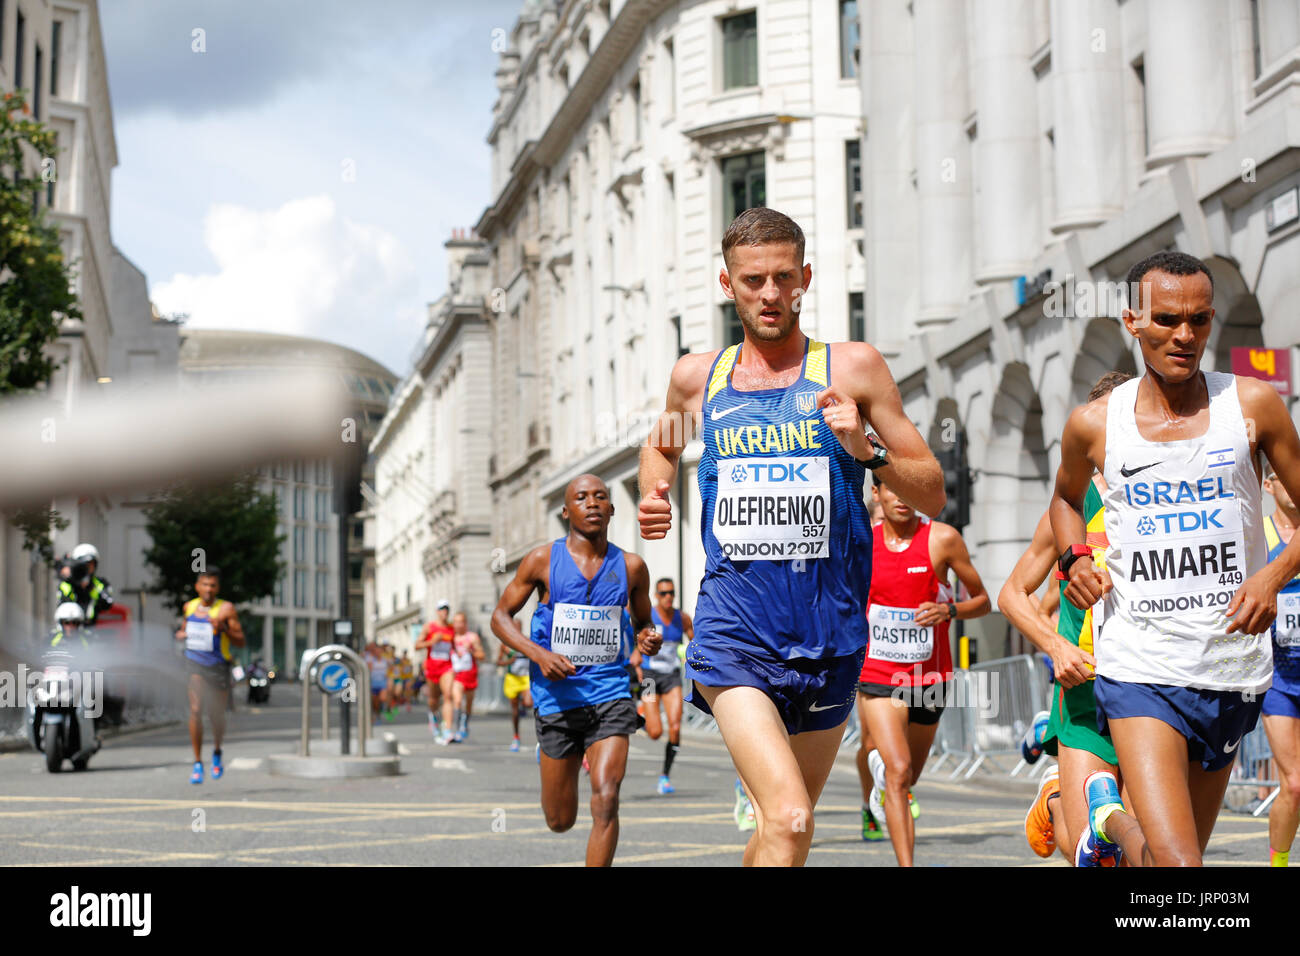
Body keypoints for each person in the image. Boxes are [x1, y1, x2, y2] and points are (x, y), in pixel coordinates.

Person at [638, 207, 944, 866]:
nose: (770, 294)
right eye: (753, 281)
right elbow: (659, 449)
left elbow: (932, 491)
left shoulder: (853, 368)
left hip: (831, 635)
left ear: (805, 278)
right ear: (728, 283)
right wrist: (651, 493)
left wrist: (866, 450)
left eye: (783, 277)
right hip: (734, 631)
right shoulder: (699, 378)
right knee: (792, 814)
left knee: (783, 832)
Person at [1052, 250, 1300, 866]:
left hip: (1231, 670)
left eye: (1198, 320)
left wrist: (1272, 574)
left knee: (1169, 870)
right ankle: (1113, 823)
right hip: (1140, 666)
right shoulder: (1094, 424)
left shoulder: (1253, 406)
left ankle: (1107, 824)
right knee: (1182, 868)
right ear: (1132, 321)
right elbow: (1063, 499)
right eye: (1165, 320)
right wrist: (1073, 556)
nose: (1183, 336)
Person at [490, 473, 660, 867]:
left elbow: (643, 624)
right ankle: (551, 758)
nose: (593, 503)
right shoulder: (542, 560)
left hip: (611, 695)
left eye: (601, 496)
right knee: (560, 820)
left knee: (606, 797)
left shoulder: (632, 567)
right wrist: (538, 654)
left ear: (613, 508)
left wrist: (646, 638)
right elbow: (501, 617)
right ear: (566, 511)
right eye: (582, 498)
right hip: (557, 700)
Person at [1000, 370, 1133, 865]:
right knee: (1094, 855)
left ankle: (1059, 794)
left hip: (1153, 685)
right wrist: (1056, 646)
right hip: (1085, 690)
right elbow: (1012, 595)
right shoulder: (1069, 510)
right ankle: (1061, 799)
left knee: (1145, 846)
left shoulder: (1163, 499)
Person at [857, 473, 990, 865]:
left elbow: (983, 601)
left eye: (911, 489)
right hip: (878, 673)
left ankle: (883, 772)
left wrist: (949, 609)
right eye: (893, 488)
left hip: (929, 678)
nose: (903, 498)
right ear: (876, 493)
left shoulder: (942, 539)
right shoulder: (862, 542)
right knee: (898, 773)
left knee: (910, 775)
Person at [1261, 466, 1300, 867]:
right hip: (1280, 680)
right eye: (1281, 477)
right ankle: (1279, 863)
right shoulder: (1259, 536)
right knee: (1295, 784)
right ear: (1268, 486)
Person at [174, 568, 245, 784]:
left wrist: (223, 628)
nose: (208, 589)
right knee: (195, 710)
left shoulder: (225, 609)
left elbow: (240, 640)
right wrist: (180, 634)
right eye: (205, 584)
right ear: (197, 586)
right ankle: (197, 763)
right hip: (194, 664)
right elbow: (183, 630)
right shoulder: (190, 607)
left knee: (216, 714)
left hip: (218, 665)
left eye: (213, 585)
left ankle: (216, 751)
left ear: (218, 588)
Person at [631, 577, 695, 794]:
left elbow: (696, 641)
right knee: (656, 732)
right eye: (663, 593)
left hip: (671, 677)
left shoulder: (683, 618)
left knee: (675, 727)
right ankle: (643, 714)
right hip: (649, 677)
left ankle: (665, 776)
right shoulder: (649, 616)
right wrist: (635, 657)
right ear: (656, 596)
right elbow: (635, 639)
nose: (668, 597)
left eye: (671, 593)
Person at [415, 600, 454, 742]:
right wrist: (431, 642)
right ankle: (433, 716)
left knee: (448, 695)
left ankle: (448, 730)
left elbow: (455, 645)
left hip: (447, 667)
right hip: (432, 668)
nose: (444, 612)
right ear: (437, 612)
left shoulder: (451, 628)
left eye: (446, 609)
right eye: (442, 609)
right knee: (433, 699)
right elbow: (417, 645)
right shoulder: (429, 627)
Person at [449, 613, 485, 743]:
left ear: (465, 623)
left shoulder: (472, 637)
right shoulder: (450, 638)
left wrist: (471, 651)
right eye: (456, 622)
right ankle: (458, 728)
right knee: (457, 701)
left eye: (461, 622)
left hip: (470, 674)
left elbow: (482, 655)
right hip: (456, 675)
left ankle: (465, 723)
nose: (458, 625)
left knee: (468, 704)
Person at [56, 543, 114, 626]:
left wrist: (89, 588)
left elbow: (107, 603)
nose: (89, 567)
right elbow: (63, 603)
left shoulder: (100, 584)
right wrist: (75, 583)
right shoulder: (66, 584)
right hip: (70, 630)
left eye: (92, 563)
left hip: (91, 629)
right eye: (85, 564)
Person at [497, 641, 533, 752]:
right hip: (512, 678)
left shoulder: (527, 642)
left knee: (528, 703)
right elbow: (498, 662)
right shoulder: (505, 646)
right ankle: (516, 737)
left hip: (525, 677)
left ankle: (523, 704)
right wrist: (510, 661)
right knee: (514, 711)